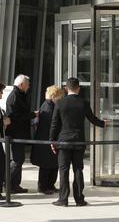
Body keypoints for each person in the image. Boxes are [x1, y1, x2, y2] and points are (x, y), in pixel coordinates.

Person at [50, 77, 106, 206]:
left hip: (63, 141)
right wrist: (103, 123)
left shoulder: (60, 103)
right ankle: (79, 199)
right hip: (78, 141)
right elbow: (92, 119)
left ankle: (63, 199)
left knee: (63, 170)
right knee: (78, 169)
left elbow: (54, 124)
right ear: (78, 88)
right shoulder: (83, 103)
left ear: (66, 89)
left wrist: (52, 141)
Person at [32, 85, 64, 194]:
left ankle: (50, 185)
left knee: (53, 165)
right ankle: (43, 187)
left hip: (49, 139)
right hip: (46, 141)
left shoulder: (50, 105)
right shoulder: (48, 107)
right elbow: (52, 124)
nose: (61, 99)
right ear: (54, 96)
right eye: (59, 97)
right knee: (46, 166)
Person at [5, 74, 33, 193]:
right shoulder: (15, 96)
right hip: (16, 133)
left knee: (19, 160)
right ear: (21, 85)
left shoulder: (19, 95)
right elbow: (14, 116)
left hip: (19, 132)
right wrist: (32, 115)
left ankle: (15, 185)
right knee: (17, 160)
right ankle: (8, 184)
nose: (29, 86)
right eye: (27, 84)